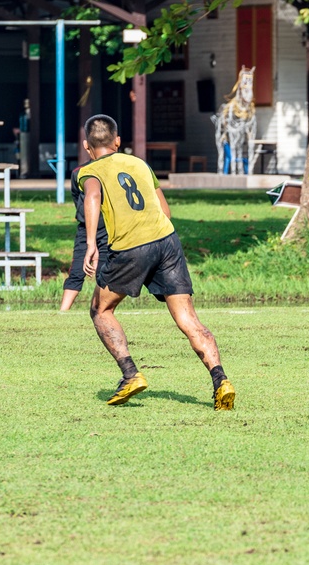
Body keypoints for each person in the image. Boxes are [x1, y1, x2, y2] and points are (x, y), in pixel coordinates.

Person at [78, 114, 235, 409]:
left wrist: (90, 244)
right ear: (118, 141)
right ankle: (221, 380)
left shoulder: (89, 172)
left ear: (87, 146)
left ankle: (130, 375)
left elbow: (93, 197)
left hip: (131, 246)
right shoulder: (140, 164)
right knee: (188, 319)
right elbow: (165, 210)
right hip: (167, 240)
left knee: (101, 308)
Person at [60, 164, 110, 311]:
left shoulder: (114, 170)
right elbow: (77, 198)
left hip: (110, 228)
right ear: (87, 147)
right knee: (76, 271)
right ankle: (62, 312)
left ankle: (101, 311)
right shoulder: (79, 172)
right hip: (85, 228)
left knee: (104, 272)